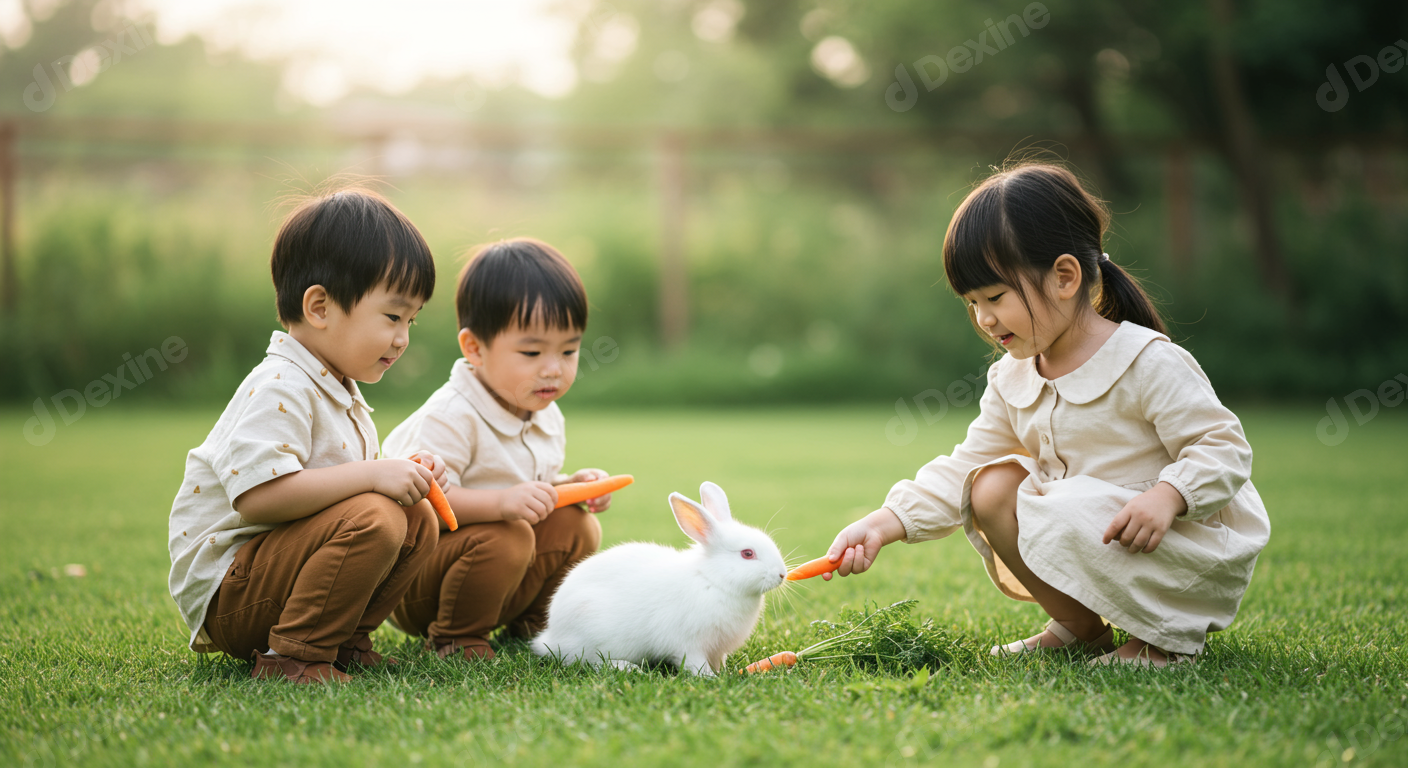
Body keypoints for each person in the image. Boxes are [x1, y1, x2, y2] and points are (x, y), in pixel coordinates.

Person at [822, 162, 1270, 667]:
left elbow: (1224, 447)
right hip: (1095, 531)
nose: (984, 319)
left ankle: (1163, 640)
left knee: (1060, 500)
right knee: (989, 485)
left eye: (995, 296)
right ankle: (1081, 628)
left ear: (1063, 276)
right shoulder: (1013, 379)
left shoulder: (1147, 361)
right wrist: (887, 522)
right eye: (972, 303)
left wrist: (1170, 495)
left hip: (1178, 546)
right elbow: (963, 465)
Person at [167, 188, 450, 684]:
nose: (403, 337)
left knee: (416, 515)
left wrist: (403, 471)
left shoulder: (337, 386)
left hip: (279, 573)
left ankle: (343, 641)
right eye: (392, 316)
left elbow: (342, 487)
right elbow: (259, 498)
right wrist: (373, 476)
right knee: (377, 515)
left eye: (411, 321)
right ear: (319, 306)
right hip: (233, 594)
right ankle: (294, 657)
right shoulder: (281, 385)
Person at [381, 238, 610, 661]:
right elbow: (423, 503)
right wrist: (503, 503)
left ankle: (534, 622)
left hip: (494, 565)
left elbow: (527, 489)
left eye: (569, 350)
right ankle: (456, 636)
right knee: (508, 533)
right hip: (416, 580)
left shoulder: (543, 412)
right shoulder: (452, 415)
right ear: (475, 349)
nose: (554, 368)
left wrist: (568, 486)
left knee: (578, 527)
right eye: (532, 351)